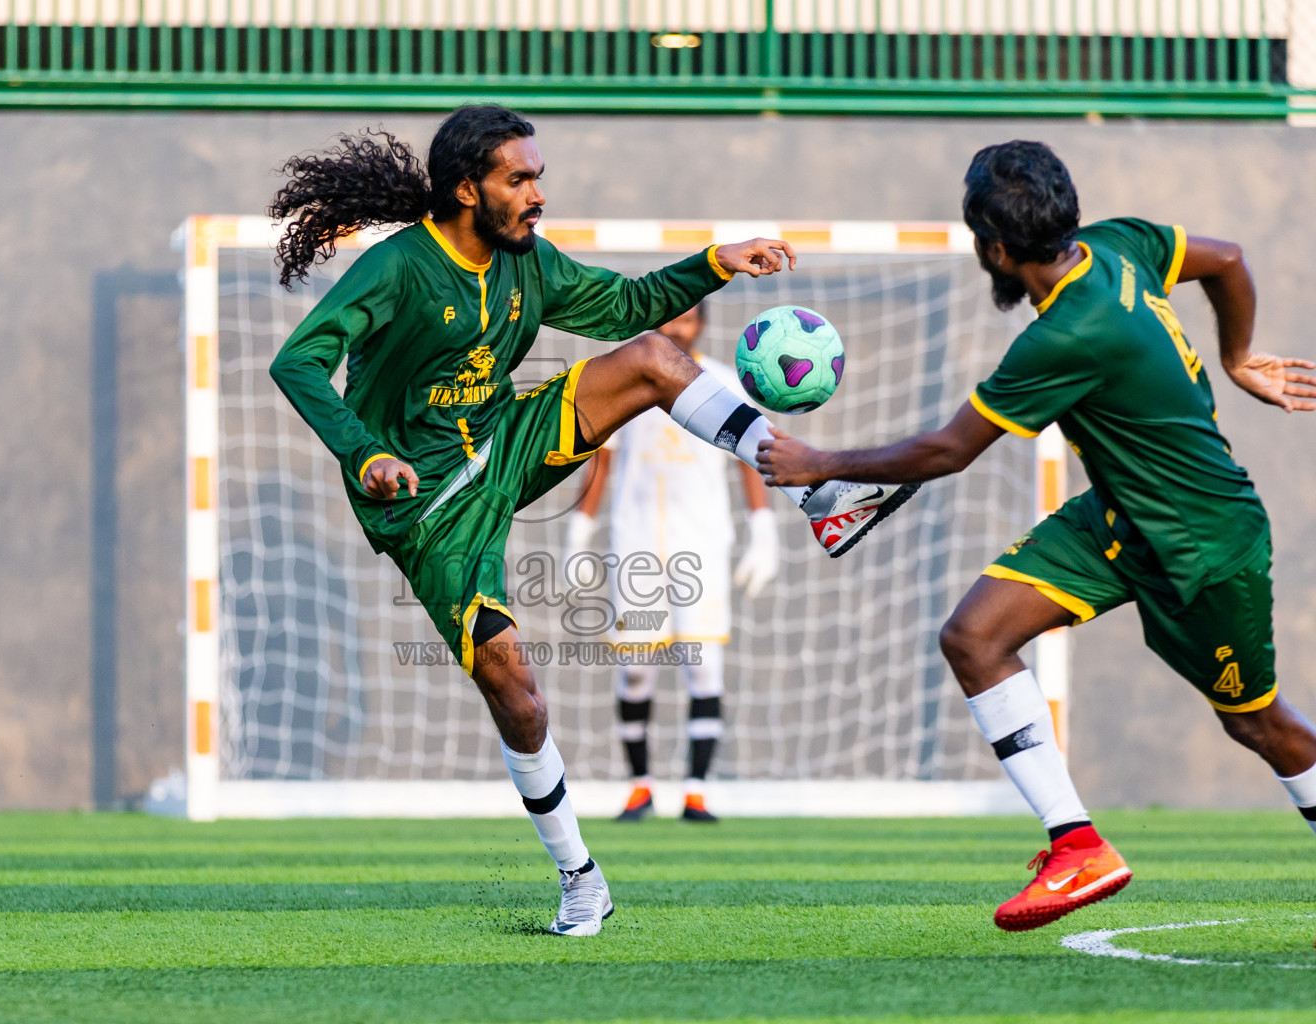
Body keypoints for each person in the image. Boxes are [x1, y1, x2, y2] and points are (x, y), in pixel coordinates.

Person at [267, 104, 916, 936]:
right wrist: (364, 454)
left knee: (649, 356)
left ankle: (814, 491)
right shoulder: (397, 270)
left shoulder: (527, 263)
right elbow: (301, 361)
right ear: (467, 189)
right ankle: (581, 877)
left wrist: (716, 262)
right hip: (426, 507)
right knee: (520, 697)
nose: (538, 192)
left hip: (506, 444)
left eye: (539, 174)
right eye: (520, 178)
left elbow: (630, 306)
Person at [756, 139, 1316, 932]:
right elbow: (1227, 259)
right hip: (1119, 517)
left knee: (1259, 723)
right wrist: (1240, 357)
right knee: (975, 637)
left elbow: (949, 451)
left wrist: (823, 461)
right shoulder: (1123, 244)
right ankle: (1077, 846)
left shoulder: (1066, 337)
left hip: (1201, 546)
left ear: (993, 248)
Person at [565, 301, 779, 823]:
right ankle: (640, 787)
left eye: (688, 317)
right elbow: (601, 457)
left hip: (702, 542)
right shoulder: (629, 378)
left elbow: (752, 453)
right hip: (635, 544)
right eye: (670, 316)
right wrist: (579, 532)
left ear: (701, 323)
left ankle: (696, 792)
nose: (678, 325)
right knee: (635, 670)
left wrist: (763, 529)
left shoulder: (725, 380)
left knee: (702, 666)